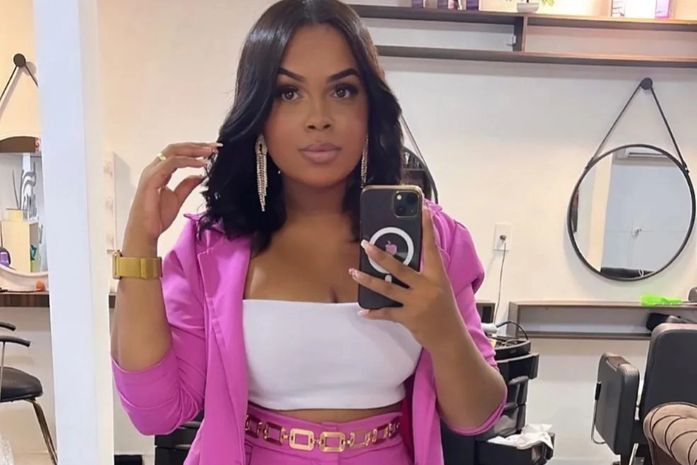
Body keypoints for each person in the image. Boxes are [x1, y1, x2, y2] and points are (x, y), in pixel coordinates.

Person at [110, 1, 506, 464]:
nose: (319, 117)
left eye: (342, 91)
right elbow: (156, 413)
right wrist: (140, 243)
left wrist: (443, 329)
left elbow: (477, 417)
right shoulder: (213, 247)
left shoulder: (431, 239)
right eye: (289, 93)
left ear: (370, 107)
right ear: (259, 113)